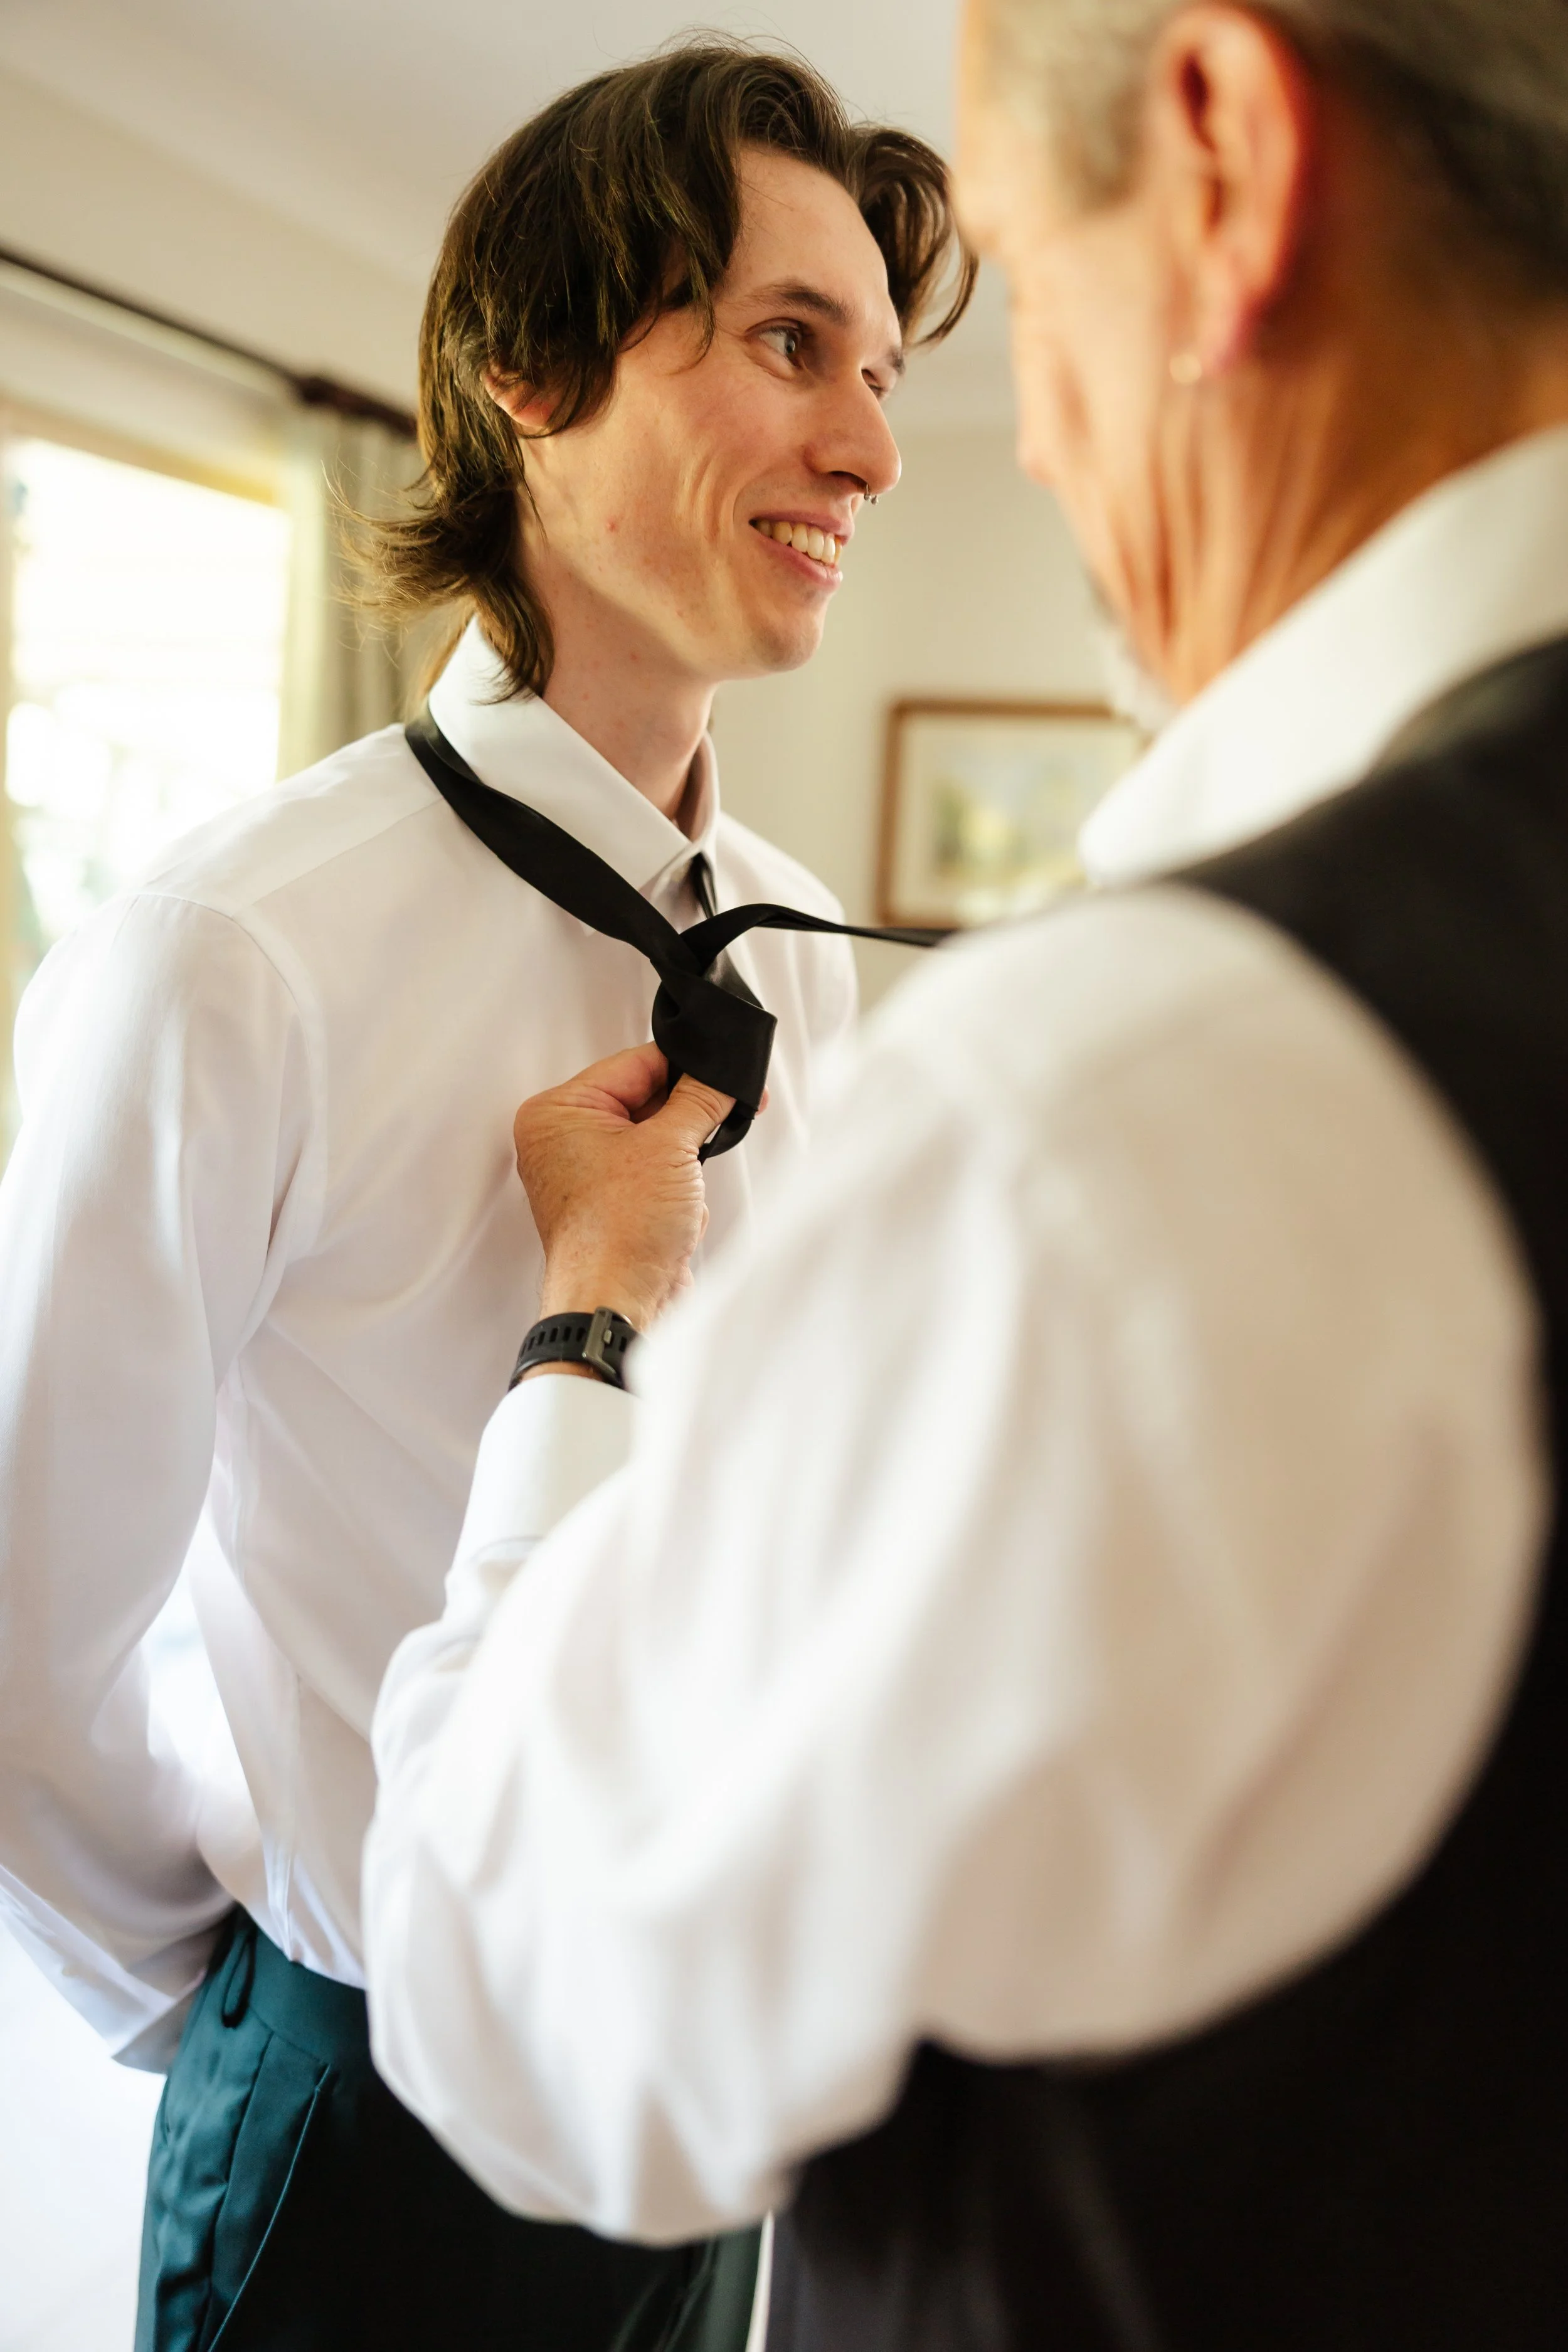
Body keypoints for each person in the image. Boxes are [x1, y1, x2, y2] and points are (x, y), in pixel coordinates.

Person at [363, 2, 1568, 2346]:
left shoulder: (1124, 1109)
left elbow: (522, 1989)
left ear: (1218, 157)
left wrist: (584, 1339)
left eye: (991, 292)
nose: (955, 447)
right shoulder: (227, 947)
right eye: (802, 342)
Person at [0, 41, 970, 2352]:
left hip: (710, 2091)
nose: (869, 446)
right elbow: (20, 1633)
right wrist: (287, 2006)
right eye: (787, 344)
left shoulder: (817, 955)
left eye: (885, 371)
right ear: (528, 367)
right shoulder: (233, 948)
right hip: (368, 2103)